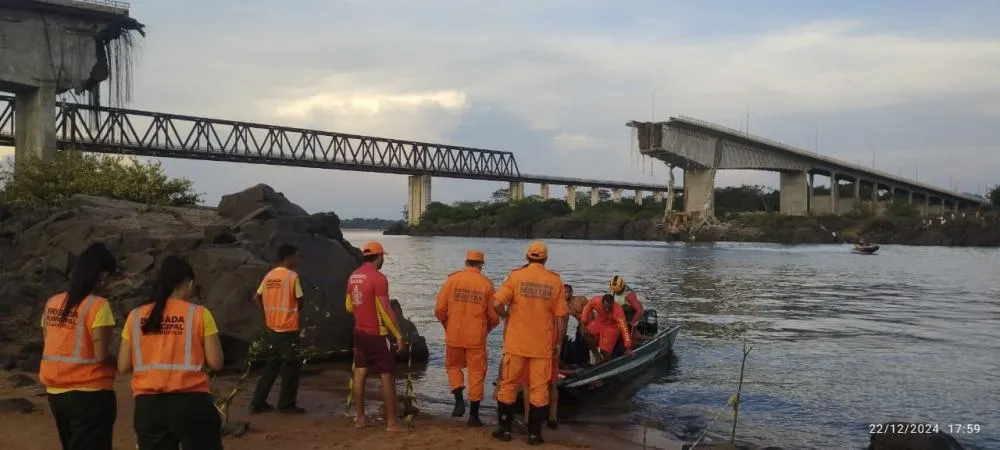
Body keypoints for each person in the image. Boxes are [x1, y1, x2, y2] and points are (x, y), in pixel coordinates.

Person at [118, 255, 225, 450]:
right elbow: (216, 362)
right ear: (189, 283)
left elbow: (123, 365)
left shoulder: (135, 316)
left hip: (148, 406)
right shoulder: (200, 314)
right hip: (191, 402)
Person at [39, 242, 119, 450]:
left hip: (56, 394)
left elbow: (49, 340)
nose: (110, 283)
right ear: (102, 276)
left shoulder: (53, 303)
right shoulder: (98, 306)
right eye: (110, 277)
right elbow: (101, 355)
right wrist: (123, 363)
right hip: (90, 394)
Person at [493, 240, 568, 445]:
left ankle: (504, 430)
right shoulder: (555, 281)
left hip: (516, 343)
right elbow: (561, 318)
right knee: (539, 388)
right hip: (542, 345)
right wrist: (559, 343)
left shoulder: (516, 276)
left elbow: (496, 303)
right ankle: (534, 434)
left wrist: (506, 315)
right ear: (545, 258)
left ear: (527, 257)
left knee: (508, 384)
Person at [345, 241, 407, 432]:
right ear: (378, 257)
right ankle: (391, 423)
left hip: (359, 331)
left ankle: (360, 419)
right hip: (377, 334)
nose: (383, 261)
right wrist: (398, 335)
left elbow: (348, 306)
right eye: (383, 257)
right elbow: (385, 309)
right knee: (387, 376)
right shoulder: (378, 278)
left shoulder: (353, 276)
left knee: (360, 373)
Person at [434, 249, 499, 427]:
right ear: (480, 264)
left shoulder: (452, 280)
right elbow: (493, 316)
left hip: (454, 335)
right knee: (476, 374)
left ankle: (458, 400)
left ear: (466, 262)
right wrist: (487, 329)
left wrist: (448, 325)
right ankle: (474, 416)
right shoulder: (486, 284)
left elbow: (439, 310)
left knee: (453, 367)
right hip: (476, 338)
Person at [250, 244, 306, 414]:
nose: (298, 259)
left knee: (271, 366)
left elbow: (255, 298)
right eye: (296, 256)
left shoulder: (270, 276)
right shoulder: (292, 276)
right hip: (288, 328)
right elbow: (300, 300)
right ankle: (286, 404)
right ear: (287, 258)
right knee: (291, 368)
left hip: (273, 327)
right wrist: (293, 311)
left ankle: (258, 401)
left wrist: (267, 312)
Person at [581, 294, 633, 364]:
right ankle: (597, 356)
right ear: (602, 302)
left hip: (612, 327)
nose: (607, 309)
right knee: (587, 334)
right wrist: (584, 321)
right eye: (605, 307)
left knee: (605, 350)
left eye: (609, 307)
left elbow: (624, 328)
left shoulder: (618, 311)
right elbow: (587, 307)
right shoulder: (596, 300)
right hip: (600, 321)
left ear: (613, 304)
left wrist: (628, 347)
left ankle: (607, 363)